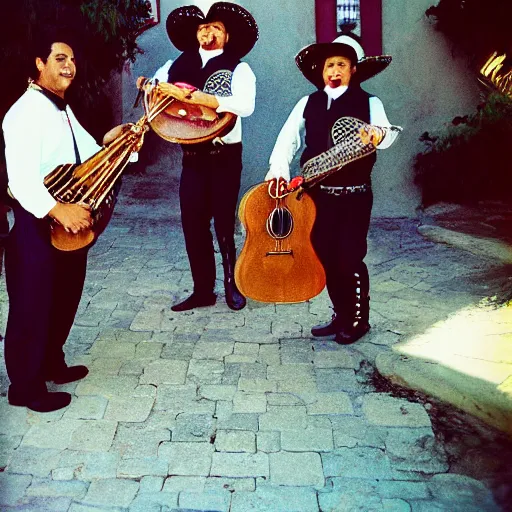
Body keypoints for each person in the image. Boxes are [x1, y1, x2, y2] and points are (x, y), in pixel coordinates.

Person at [2, 35, 130, 412]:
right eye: (59, 58)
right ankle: (25, 387)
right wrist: (59, 210)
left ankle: (51, 363)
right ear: (40, 63)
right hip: (38, 222)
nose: (68, 65)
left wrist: (116, 141)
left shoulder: (62, 109)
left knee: (64, 296)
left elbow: (89, 153)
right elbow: (22, 180)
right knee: (31, 303)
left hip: (68, 222)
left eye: (72, 59)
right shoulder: (24, 112)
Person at [265, 32, 401, 344]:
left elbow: (388, 132)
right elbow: (288, 140)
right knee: (324, 254)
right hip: (317, 197)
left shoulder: (370, 102)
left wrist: (377, 135)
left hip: (354, 196)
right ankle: (340, 315)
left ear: (354, 69)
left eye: (342, 64)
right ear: (322, 71)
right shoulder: (307, 103)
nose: (335, 71)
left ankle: (358, 320)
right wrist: (279, 170)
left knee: (349, 256)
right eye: (329, 65)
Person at [140, 2, 258, 312]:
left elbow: (245, 105)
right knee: (193, 223)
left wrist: (200, 99)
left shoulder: (239, 68)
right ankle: (202, 290)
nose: (208, 31)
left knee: (223, 222)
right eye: (203, 27)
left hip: (224, 155)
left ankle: (233, 285)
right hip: (192, 156)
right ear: (196, 33)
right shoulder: (174, 65)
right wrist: (153, 88)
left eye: (215, 27)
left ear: (227, 35)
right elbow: (155, 89)